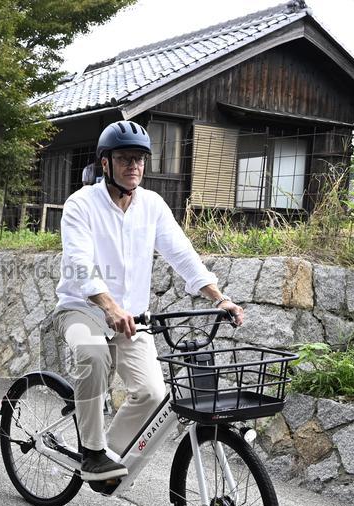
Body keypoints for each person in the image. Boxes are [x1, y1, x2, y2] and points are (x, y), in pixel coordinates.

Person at [53, 120, 245, 482]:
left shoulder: (152, 205)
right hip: (83, 308)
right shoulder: (81, 205)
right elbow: (80, 265)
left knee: (154, 393)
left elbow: (182, 254)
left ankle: (105, 455)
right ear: (105, 163)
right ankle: (92, 452)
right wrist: (109, 306)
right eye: (125, 158)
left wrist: (219, 298)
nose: (134, 167)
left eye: (140, 159)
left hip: (133, 317)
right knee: (92, 355)